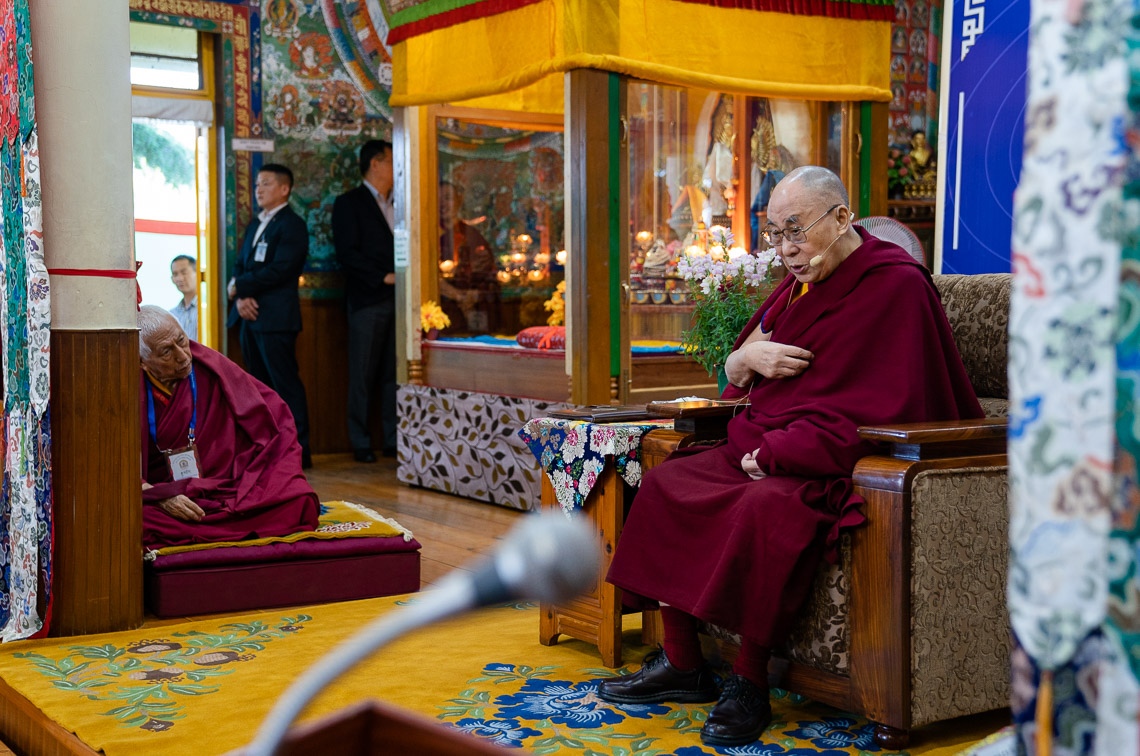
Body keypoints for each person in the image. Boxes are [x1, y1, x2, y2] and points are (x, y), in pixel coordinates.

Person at [597, 166, 983, 748]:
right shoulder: (804, 282)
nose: (786, 251)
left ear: (842, 218)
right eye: (775, 233)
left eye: (796, 231)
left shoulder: (895, 286)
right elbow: (739, 369)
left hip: (829, 461)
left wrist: (778, 453)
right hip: (763, 440)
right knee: (666, 482)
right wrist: (742, 364)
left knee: (767, 509)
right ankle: (683, 663)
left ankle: (749, 683)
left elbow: (890, 407)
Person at [138, 306, 319, 550]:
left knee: (299, 501)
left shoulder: (210, 365)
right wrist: (159, 497)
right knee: (137, 520)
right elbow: (113, 463)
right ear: (143, 362)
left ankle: (218, 524)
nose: (182, 356)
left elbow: (275, 417)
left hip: (230, 484)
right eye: (166, 352)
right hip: (167, 490)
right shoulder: (127, 388)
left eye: (182, 340)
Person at [226, 163, 312, 469]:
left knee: (284, 384)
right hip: (250, 316)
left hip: (276, 318)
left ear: (284, 189)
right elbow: (241, 264)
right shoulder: (256, 223)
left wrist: (242, 288)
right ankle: (268, 450)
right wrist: (240, 298)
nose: (258, 189)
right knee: (259, 386)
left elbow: (282, 269)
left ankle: (299, 451)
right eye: (257, 184)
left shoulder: (292, 225)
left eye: (265, 184)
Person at [332, 139, 398, 463]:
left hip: (399, 299)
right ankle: (360, 441)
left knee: (392, 373)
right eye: (391, 160)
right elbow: (347, 254)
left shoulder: (398, 203)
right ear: (375, 163)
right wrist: (382, 276)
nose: (396, 167)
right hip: (368, 300)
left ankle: (392, 439)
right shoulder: (350, 203)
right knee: (362, 374)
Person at [438, 181, 499, 333]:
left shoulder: (471, 235)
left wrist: (475, 294)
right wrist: (457, 295)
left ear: (458, 201)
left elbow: (490, 274)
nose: (442, 204)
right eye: (437, 199)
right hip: (441, 309)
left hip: (472, 307)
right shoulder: (428, 236)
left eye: (447, 198)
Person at [169, 254, 198, 341]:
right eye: (175, 274)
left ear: (197, 273)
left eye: (184, 273)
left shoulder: (207, 310)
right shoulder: (172, 315)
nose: (180, 278)